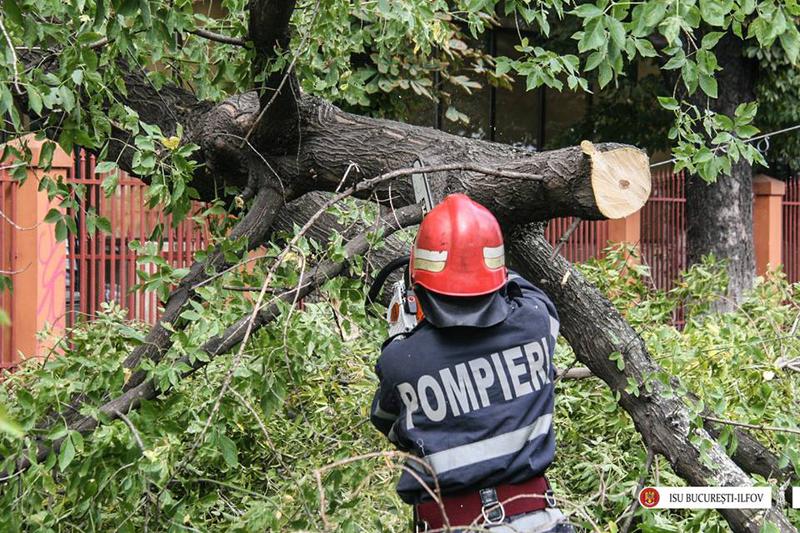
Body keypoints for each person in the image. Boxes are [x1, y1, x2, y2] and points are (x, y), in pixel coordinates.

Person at [370, 194, 574, 532]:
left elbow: (388, 423)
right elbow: (516, 287)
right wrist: (472, 258)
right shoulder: (536, 321)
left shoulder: (400, 361)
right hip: (540, 522)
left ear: (420, 283)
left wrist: (404, 334)